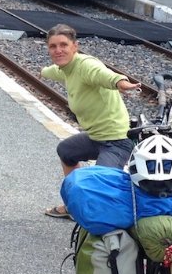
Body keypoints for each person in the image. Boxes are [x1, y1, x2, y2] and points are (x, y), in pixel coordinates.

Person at [40, 23, 141, 219]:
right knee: (66, 151)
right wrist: (42, 72)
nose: (58, 50)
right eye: (53, 46)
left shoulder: (85, 65)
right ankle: (73, 205)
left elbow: (104, 75)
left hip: (117, 140)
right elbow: (53, 71)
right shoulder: (65, 69)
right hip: (96, 136)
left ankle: (106, 226)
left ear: (75, 46)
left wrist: (122, 83)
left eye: (63, 45)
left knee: (98, 187)